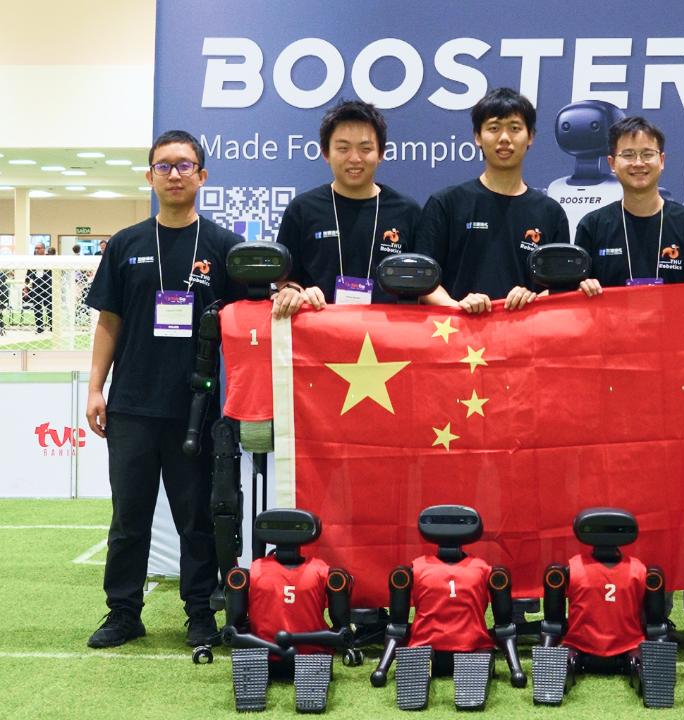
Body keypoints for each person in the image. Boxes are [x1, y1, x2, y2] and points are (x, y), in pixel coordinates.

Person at [84, 130, 244, 649]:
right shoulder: (126, 244)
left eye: (184, 165)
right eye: (164, 166)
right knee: (129, 518)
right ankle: (123, 613)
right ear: (149, 176)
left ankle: (200, 614)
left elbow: (248, 323)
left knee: (196, 518)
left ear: (202, 175)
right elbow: (109, 321)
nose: (174, 174)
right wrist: (95, 388)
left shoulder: (223, 246)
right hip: (131, 406)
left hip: (196, 409)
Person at [415, 87, 570, 313]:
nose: (504, 138)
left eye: (515, 128)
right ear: (478, 137)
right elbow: (423, 279)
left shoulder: (550, 212)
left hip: (527, 331)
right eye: (494, 128)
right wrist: (457, 307)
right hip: (458, 331)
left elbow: (561, 286)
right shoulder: (446, 204)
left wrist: (533, 300)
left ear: (531, 137)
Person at [271, 101, 421, 319]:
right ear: (325, 153)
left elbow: (424, 283)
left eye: (365, 149)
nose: (355, 158)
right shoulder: (302, 209)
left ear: (381, 153)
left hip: (388, 335)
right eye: (343, 148)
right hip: (320, 332)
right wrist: (293, 291)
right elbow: (285, 278)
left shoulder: (407, 211)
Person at [574, 116, 684, 295]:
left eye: (647, 154)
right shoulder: (592, 227)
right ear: (612, 163)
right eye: (628, 155)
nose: (638, 163)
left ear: (662, 160)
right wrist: (581, 288)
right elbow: (575, 293)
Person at [23, 242, 53, 333]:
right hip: (36, 285)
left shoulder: (50, 259)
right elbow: (28, 274)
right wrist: (26, 287)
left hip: (48, 285)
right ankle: (40, 327)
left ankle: (52, 326)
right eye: (35, 248)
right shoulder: (33, 260)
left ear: (44, 249)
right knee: (36, 306)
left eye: (39, 248)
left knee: (50, 306)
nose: (37, 250)